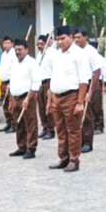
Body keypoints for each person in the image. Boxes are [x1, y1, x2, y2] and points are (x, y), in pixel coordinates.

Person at [41, 25, 91, 172]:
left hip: (72, 96)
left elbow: (83, 81)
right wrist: (50, 99)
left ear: (70, 36)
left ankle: (74, 160)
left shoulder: (79, 54)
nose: (60, 42)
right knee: (60, 130)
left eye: (63, 38)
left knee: (73, 130)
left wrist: (80, 102)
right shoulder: (56, 55)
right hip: (57, 97)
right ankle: (63, 158)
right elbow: (52, 78)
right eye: (58, 39)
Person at [8, 39, 40, 159]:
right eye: (16, 49)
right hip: (15, 97)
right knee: (19, 123)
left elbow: (36, 82)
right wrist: (11, 99)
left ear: (27, 50)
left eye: (20, 49)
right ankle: (21, 147)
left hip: (27, 96)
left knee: (30, 123)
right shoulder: (14, 63)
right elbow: (12, 82)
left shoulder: (32, 63)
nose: (18, 52)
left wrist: (28, 98)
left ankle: (31, 148)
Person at [73, 28, 102, 153]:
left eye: (79, 37)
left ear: (85, 37)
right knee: (78, 116)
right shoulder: (75, 51)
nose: (77, 40)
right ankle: (79, 141)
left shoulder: (91, 51)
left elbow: (96, 72)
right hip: (77, 84)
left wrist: (91, 91)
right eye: (75, 37)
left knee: (87, 115)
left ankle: (87, 142)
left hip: (89, 83)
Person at [35, 35, 55, 140]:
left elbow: (54, 71)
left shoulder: (51, 54)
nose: (39, 46)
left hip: (48, 83)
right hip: (40, 84)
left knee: (49, 107)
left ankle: (51, 130)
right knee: (41, 108)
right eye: (38, 44)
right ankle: (45, 127)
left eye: (41, 44)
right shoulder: (38, 55)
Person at [0, 36, 16, 133]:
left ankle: (14, 124)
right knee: (4, 105)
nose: (6, 45)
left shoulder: (14, 54)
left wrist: (11, 82)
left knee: (10, 104)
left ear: (12, 44)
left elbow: (14, 69)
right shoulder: (3, 54)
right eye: (4, 43)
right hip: (3, 82)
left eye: (8, 43)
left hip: (10, 82)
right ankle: (8, 123)